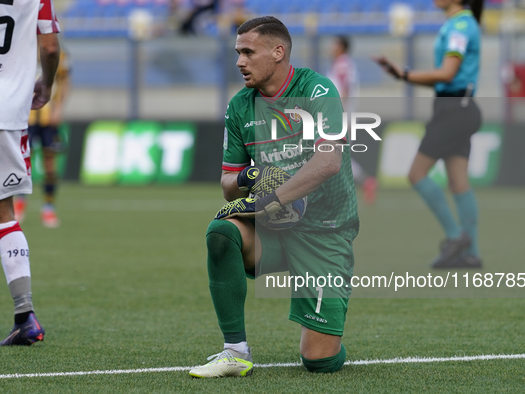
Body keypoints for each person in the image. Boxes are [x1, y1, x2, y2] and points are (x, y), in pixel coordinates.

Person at [189, 16, 359, 378]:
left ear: (278, 51)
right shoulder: (239, 106)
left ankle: (332, 322)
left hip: (325, 231)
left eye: (248, 52)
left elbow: (328, 161)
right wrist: (251, 176)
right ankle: (234, 351)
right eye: (238, 53)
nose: (240, 62)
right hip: (275, 231)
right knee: (221, 232)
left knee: (319, 361)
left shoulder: (317, 90)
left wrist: (269, 199)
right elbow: (228, 183)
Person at [0, 0, 61, 345]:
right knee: (2, 212)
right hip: (5, 111)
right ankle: (25, 315)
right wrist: (46, 85)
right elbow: (49, 46)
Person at [372, 0, 484, 268]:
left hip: (454, 110)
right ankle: (471, 254)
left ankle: (457, 238)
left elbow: (447, 73)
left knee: (416, 174)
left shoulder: (458, 26)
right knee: (458, 183)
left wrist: (405, 75)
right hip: (460, 107)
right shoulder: (461, 23)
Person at [14, 47, 71, 228]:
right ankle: (19, 204)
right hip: (26, 117)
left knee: (49, 164)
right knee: (22, 162)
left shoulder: (61, 54)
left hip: (49, 118)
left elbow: (65, 83)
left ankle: (48, 208)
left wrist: (60, 109)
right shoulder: (23, 46)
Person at [327, 35, 378, 205]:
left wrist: (338, 113)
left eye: (333, 44)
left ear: (341, 47)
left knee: (331, 153)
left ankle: (361, 183)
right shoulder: (342, 64)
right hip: (341, 113)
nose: (330, 47)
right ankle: (364, 182)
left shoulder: (342, 64)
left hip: (339, 114)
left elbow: (345, 89)